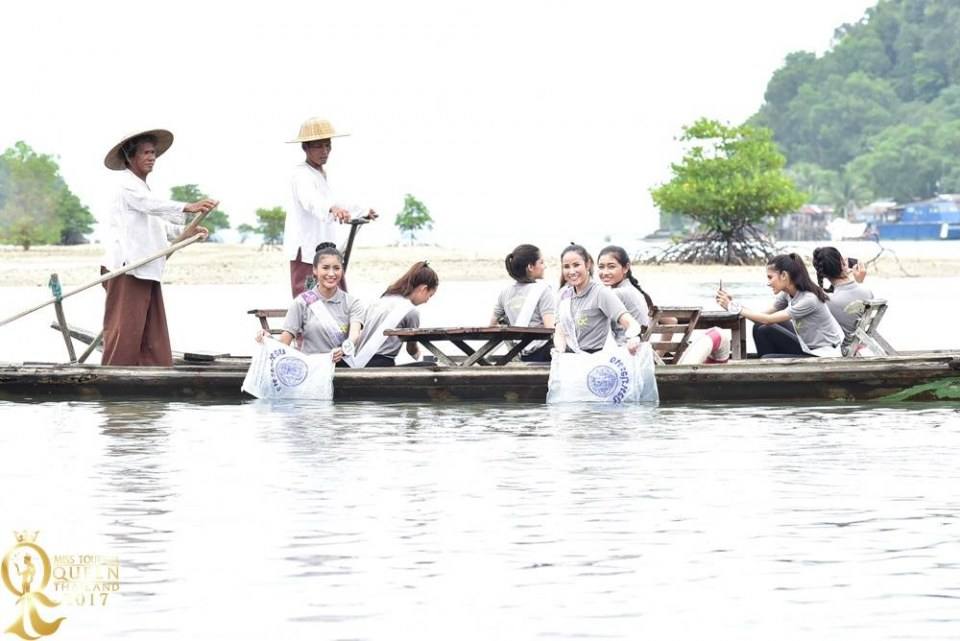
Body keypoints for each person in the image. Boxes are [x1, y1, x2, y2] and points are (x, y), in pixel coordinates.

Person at [101, 129, 215, 366]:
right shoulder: (126, 187)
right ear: (130, 157)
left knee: (152, 330)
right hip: (127, 269)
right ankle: (116, 374)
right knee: (126, 329)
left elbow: (158, 225)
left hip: (147, 268)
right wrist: (188, 206)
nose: (151, 157)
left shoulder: (144, 189)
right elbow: (150, 206)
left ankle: (152, 372)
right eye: (145, 152)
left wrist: (188, 233)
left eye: (153, 152)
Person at [284, 117, 377, 298]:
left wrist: (363, 211)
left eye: (327, 146)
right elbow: (311, 200)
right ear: (306, 147)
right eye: (318, 146)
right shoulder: (301, 174)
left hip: (325, 250)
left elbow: (337, 202)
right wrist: (331, 209)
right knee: (308, 300)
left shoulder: (320, 174)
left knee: (338, 297)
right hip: (307, 251)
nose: (324, 151)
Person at [716, 253, 843, 358]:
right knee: (759, 327)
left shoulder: (809, 299)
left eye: (770, 277)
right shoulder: (787, 294)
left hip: (823, 354)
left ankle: (769, 371)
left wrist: (732, 306)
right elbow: (761, 317)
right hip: (807, 346)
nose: (768, 283)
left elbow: (768, 320)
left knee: (767, 358)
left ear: (784, 275)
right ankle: (770, 369)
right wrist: (733, 305)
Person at [255, 243, 363, 365]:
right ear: (315, 270)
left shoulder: (352, 303)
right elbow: (284, 343)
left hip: (342, 368)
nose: (331, 274)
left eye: (336, 268)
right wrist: (268, 339)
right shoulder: (301, 303)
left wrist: (344, 349)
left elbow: (355, 335)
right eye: (326, 268)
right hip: (311, 368)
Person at [554, 244, 643, 355]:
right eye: (566, 267)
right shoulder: (563, 295)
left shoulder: (601, 293)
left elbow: (631, 322)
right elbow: (559, 331)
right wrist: (559, 352)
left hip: (598, 360)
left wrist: (633, 338)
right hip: (572, 360)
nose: (572, 271)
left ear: (587, 265)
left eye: (576, 265)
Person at [352, 261, 438, 367]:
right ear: (424, 289)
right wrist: (425, 358)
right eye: (430, 295)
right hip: (382, 364)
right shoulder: (410, 311)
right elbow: (411, 349)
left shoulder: (379, 301)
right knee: (431, 366)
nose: (427, 301)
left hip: (357, 362)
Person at [491, 244, 555, 362]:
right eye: (541, 262)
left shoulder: (505, 293)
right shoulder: (544, 290)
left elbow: (491, 326)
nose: (544, 266)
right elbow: (550, 329)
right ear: (530, 266)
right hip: (544, 355)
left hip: (520, 354)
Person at [812, 246, 874, 356]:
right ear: (842, 263)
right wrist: (857, 280)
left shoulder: (826, 301)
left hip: (839, 352)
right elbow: (851, 293)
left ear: (823, 273)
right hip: (857, 347)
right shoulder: (868, 293)